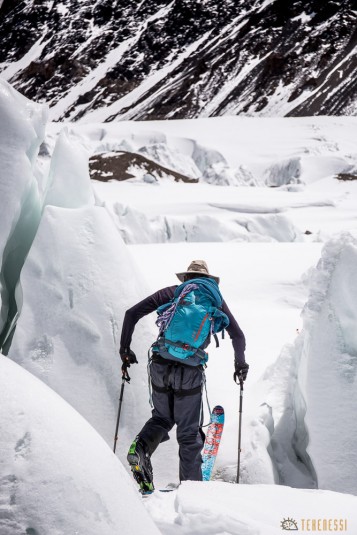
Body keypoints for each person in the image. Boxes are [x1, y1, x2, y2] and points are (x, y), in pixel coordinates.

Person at [119, 260, 249, 492]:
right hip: (189, 371)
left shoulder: (174, 293)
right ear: (208, 279)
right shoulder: (214, 299)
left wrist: (125, 350)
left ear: (186, 278)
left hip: (159, 364)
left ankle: (140, 449)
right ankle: (193, 493)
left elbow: (131, 314)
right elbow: (237, 335)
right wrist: (240, 364)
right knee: (188, 435)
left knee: (161, 418)